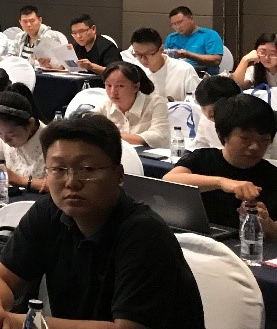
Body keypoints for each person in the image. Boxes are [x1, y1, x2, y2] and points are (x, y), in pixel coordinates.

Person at [0, 114, 206, 329]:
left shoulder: (145, 233)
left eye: (86, 169)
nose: (71, 182)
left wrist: (25, 323)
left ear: (118, 175)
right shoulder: (48, 212)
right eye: (58, 169)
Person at [165, 94, 277, 233]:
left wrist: (268, 226)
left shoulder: (272, 176)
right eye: (245, 138)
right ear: (223, 135)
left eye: (263, 140)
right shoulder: (202, 159)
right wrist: (222, 182)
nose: (255, 147)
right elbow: (169, 181)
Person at [95, 61, 171, 148]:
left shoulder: (156, 103)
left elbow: (159, 136)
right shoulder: (106, 106)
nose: (113, 92)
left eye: (120, 86)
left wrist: (111, 137)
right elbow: (87, 125)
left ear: (135, 87)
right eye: (108, 85)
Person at [124, 27, 196, 102]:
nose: (143, 59)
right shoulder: (135, 70)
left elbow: (196, 105)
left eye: (148, 54)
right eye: (138, 54)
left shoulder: (184, 70)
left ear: (161, 49)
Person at [165, 6, 225, 75]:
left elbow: (216, 60)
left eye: (180, 22)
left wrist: (188, 55)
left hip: (202, 74)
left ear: (191, 19)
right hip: (177, 74)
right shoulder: (171, 38)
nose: (177, 27)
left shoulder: (209, 35)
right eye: (174, 24)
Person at [6, 5, 70, 66]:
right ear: (20, 22)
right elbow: (10, 57)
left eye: (32, 21)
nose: (28, 25)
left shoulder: (50, 37)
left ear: (40, 20)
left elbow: (62, 62)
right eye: (25, 22)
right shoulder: (19, 37)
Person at [192, 75, 242, 152]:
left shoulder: (246, 122)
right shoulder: (205, 120)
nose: (208, 115)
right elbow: (200, 145)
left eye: (213, 110)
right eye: (203, 108)